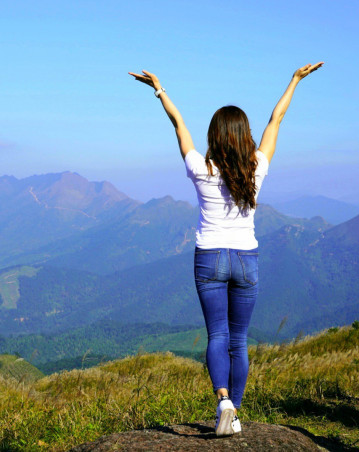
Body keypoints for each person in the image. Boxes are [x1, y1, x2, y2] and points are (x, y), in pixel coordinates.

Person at [130, 62, 323, 436]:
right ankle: (234, 413)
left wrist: (159, 88)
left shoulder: (201, 169)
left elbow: (179, 125)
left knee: (217, 335)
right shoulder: (256, 168)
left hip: (209, 259)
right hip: (246, 259)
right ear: (244, 135)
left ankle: (222, 401)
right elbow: (276, 121)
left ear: (215, 136)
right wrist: (295, 80)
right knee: (240, 340)